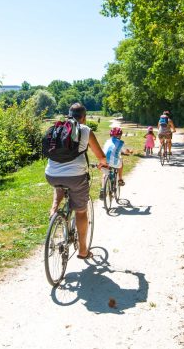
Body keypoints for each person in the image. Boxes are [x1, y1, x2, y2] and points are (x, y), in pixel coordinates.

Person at [45, 103, 108, 259]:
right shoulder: (85, 130)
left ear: (69, 114)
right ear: (84, 117)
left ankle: (54, 208)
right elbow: (100, 156)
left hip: (51, 174)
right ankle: (83, 250)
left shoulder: (58, 127)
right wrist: (103, 163)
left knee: (59, 184)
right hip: (76, 177)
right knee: (81, 212)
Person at [100, 127, 133, 198]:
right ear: (120, 135)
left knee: (105, 173)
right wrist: (130, 151)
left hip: (104, 160)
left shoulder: (107, 141)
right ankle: (120, 179)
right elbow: (125, 151)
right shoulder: (121, 142)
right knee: (120, 163)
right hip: (114, 161)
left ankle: (103, 189)